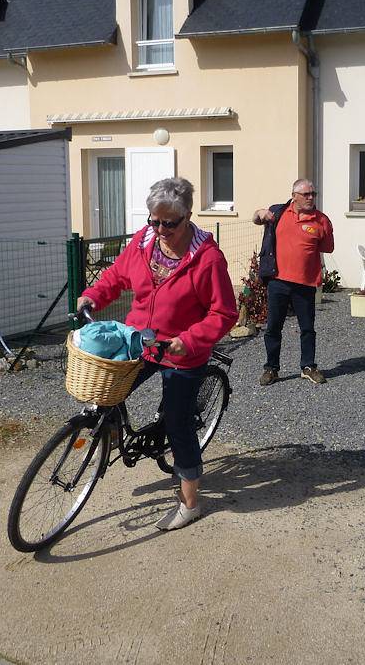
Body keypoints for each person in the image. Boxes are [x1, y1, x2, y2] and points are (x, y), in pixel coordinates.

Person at [77, 177, 237, 530]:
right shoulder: (143, 241)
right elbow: (117, 276)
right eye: (155, 220)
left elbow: (224, 313)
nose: (160, 229)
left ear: (188, 216)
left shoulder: (207, 258)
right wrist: (93, 295)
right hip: (140, 339)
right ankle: (110, 437)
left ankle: (191, 502)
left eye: (169, 222)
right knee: (105, 389)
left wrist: (190, 340)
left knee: (179, 422)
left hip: (181, 350)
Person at [252, 178, 335, 386]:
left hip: (305, 283)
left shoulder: (321, 220)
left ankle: (308, 367)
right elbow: (256, 218)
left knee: (307, 328)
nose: (310, 198)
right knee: (273, 328)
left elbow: (328, 247)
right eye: (306, 194)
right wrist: (260, 213)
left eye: (313, 194)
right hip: (278, 281)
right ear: (294, 196)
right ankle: (271, 369)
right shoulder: (277, 213)